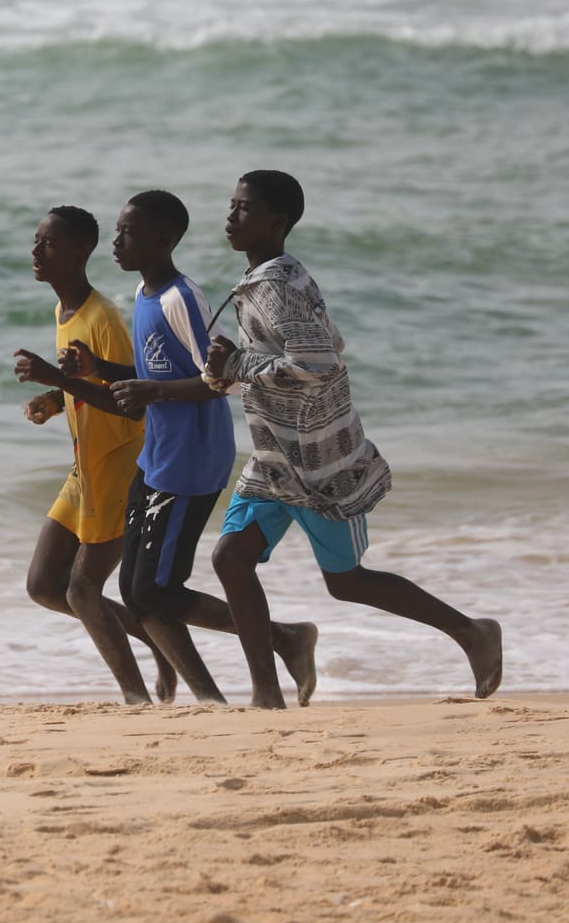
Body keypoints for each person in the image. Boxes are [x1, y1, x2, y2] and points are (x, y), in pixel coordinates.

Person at [205, 169, 503, 709]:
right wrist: (226, 371)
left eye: (243, 209)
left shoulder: (273, 286)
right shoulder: (275, 276)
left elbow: (319, 360)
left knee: (346, 582)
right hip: (275, 456)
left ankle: (472, 633)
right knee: (230, 558)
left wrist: (240, 363)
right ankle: (266, 693)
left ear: (276, 223)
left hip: (318, 459)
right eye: (231, 205)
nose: (230, 216)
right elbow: (328, 339)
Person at [60, 189, 319, 707]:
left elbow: (223, 378)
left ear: (164, 239)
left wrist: (153, 392)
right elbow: (152, 373)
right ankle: (212, 696)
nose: (115, 242)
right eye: (116, 231)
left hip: (192, 463)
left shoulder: (181, 298)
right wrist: (101, 371)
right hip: (156, 459)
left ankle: (284, 639)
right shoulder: (142, 295)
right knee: (138, 594)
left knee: (154, 591)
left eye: (127, 233)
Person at [13, 204, 177, 706]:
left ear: (80, 253)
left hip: (118, 467)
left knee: (83, 591)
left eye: (49, 244)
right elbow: (88, 384)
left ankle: (135, 699)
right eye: (37, 241)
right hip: (84, 467)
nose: (37, 252)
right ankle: (162, 643)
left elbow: (129, 402)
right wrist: (56, 399)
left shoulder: (101, 316)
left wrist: (58, 379)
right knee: (44, 585)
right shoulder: (62, 312)